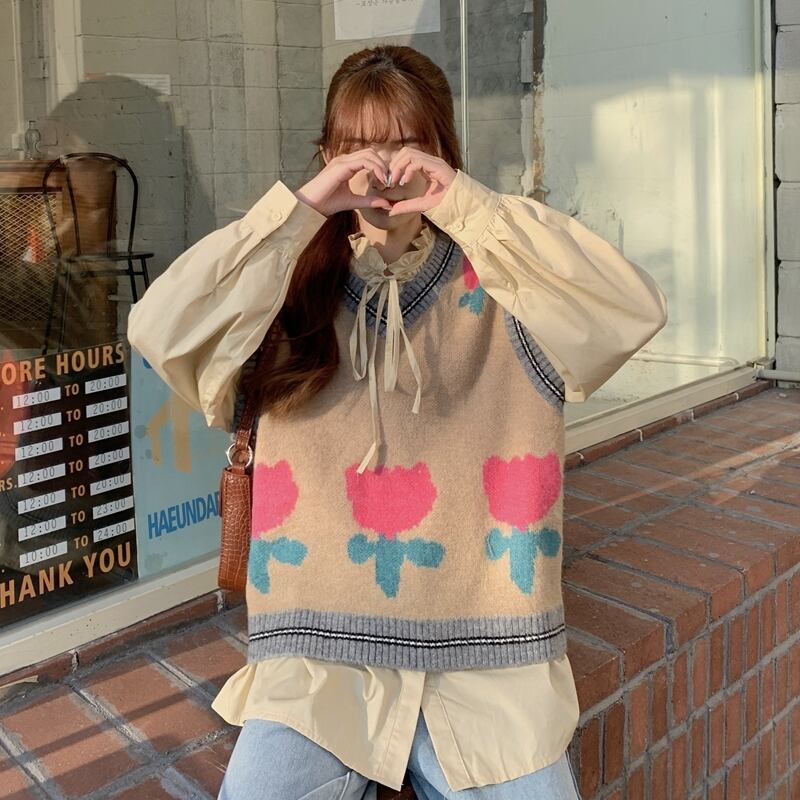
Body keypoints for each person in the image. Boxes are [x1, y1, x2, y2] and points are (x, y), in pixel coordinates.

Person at [127, 44, 668, 800]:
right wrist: (301, 211)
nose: (381, 170)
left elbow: (632, 309)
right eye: (355, 147)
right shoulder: (284, 290)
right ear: (326, 155)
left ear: (444, 153)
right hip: (316, 662)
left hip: (487, 660)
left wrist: (469, 206)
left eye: (408, 144)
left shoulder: (508, 285)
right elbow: (159, 328)